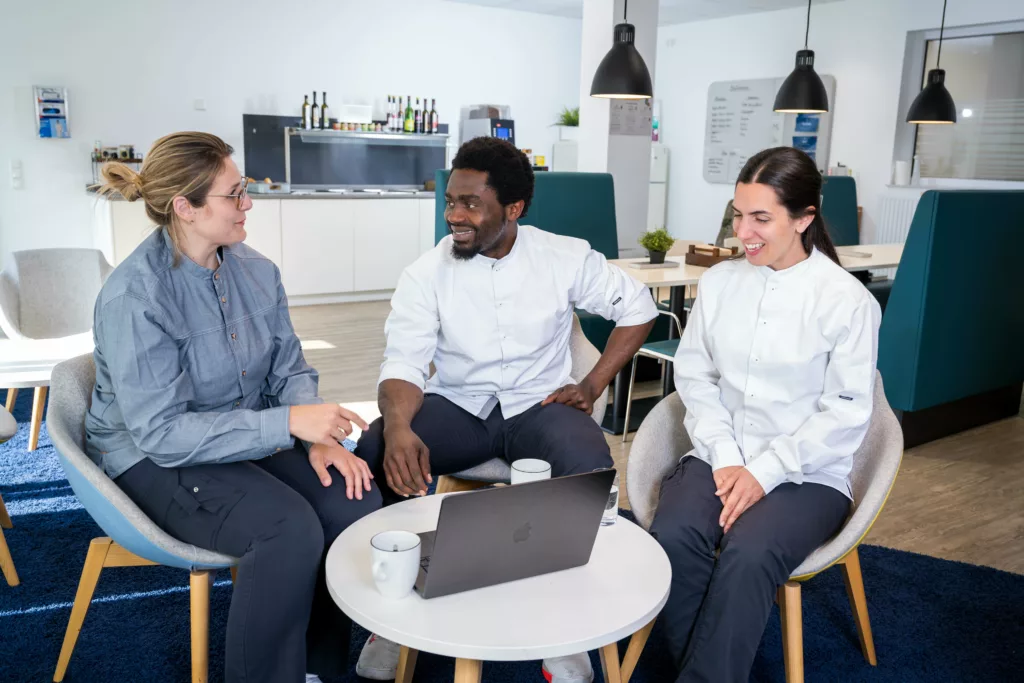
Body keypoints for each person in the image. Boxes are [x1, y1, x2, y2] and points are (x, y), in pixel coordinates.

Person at [354, 137, 658, 682]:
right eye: (450, 202)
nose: (455, 217)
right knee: (377, 446)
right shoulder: (427, 272)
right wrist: (398, 424)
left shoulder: (564, 256)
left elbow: (638, 307)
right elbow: (403, 359)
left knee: (589, 465)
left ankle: (564, 622)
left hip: (539, 405)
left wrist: (590, 384)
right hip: (460, 408)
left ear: (513, 209)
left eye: (471, 204)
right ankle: (392, 621)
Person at [85, 132, 381, 683]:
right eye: (235, 193)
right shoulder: (137, 297)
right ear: (185, 208)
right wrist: (289, 423)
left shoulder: (256, 271)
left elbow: (288, 369)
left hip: (241, 433)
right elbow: (163, 434)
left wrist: (317, 436)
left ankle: (315, 670)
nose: (249, 204)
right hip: (152, 457)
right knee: (285, 527)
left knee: (351, 502)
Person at [649, 146, 882, 683]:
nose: (743, 232)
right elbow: (696, 378)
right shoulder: (719, 283)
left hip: (807, 473)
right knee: (674, 536)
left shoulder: (846, 301)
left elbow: (846, 413)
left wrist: (764, 472)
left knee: (750, 555)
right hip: (717, 454)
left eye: (761, 217)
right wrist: (729, 460)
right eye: (737, 214)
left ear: (804, 218)